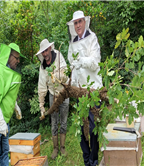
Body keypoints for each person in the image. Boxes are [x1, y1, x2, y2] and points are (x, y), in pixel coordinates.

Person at [67, 10, 103, 166]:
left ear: (85, 22)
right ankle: (86, 160)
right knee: (83, 129)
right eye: (75, 23)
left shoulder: (92, 38)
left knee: (93, 127)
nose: (78, 25)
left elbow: (95, 62)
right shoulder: (72, 43)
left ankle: (94, 161)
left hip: (93, 90)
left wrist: (81, 60)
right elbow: (72, 67)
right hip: (80, 91)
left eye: (80, 21)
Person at [36, 39, 69, 159]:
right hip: (52, 95)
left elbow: (66, 74)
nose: (45, 54)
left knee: (64, 121)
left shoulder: (59, 56)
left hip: (63, 93)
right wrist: (41, 105)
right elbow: (41, 85)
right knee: (54, 122)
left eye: (46, 51)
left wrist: (57, 76)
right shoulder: (43, 66)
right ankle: (55, 148)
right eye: (42, 52)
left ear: (50, 48)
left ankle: (63, 148)